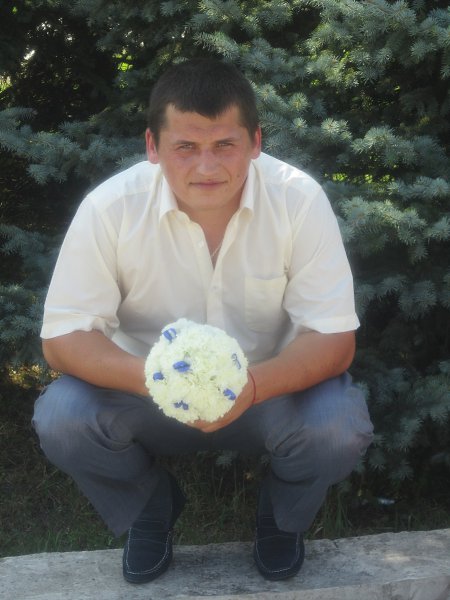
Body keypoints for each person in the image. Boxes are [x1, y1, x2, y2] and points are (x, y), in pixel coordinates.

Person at [32, 58, 373, 584]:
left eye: (224, 145)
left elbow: (333, 339)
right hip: (145, 393)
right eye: (186, 147)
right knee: (62, 417)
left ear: (255, 142)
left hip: (266, 391)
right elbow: (64, 337)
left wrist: (250, 387)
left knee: (338, 428)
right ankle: (151, 509)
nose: (206, 166)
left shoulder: (298, 199)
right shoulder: (110, 208)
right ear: (153, 146)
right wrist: (164, 382)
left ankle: (280, 517)